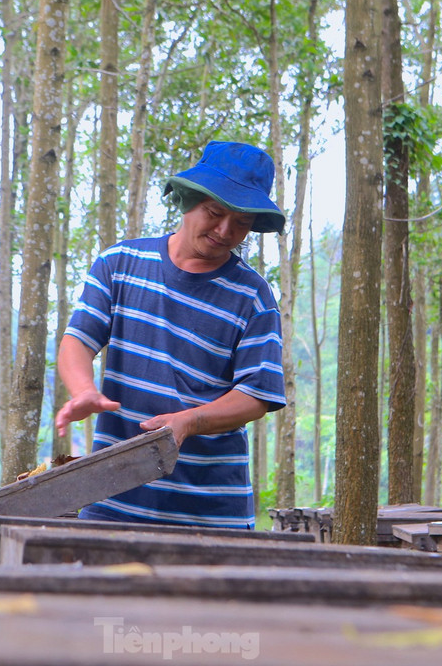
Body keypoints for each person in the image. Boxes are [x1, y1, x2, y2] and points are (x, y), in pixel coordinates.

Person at [54, 140, 287, 528]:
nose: (226, 230)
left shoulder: (254, 296)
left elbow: (256, 396)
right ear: (187, 200)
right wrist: (84, 390)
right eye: (215, 213)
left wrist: (189, 421)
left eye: (242, 223)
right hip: (114, 502)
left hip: (212, 513)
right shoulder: (121, 263)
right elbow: (78, 339)